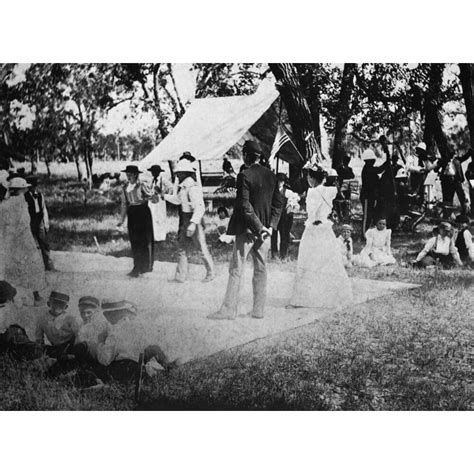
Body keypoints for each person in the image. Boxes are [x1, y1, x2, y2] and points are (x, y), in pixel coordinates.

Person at [207, 140, 283, 320]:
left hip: (247, 231)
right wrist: (270, 227)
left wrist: (258, 227)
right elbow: (278, 204)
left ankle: (228, 310)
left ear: (246, 155)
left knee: (236, 269)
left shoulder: (244, 175)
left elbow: (245, 205)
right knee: (261, 270)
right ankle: (258, 310)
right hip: (265, 233)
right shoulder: (271, 176)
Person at [287, 165, 353, 309]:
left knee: (309, 261)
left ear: (311, 177)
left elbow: (311, 213)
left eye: (308, 177)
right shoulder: (331, 190)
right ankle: (332, 295)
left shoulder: (312, 192)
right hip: (326, 228)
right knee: (327, 261)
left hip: (314, 230)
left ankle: (307, 296)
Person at [96, 300, 177, 382]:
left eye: (109, 315)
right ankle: (168, 367)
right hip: (139, 363)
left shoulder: (114, 332)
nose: (108, 318)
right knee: (154, 349)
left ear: (115, 315)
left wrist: (101, 343)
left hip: (124, 368)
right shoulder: (138, 327)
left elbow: (105, 360)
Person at [164, 159, 215, 283]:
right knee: (181, 247)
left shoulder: (193, 188)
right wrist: (163, 196)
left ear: (185, 173)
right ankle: (180, 276)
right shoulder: (184, 187)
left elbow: (200, 207)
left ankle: (211, 272)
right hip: (185, 218)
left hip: (194, 220)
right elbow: (178, 200)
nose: (177, 175)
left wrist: (193, 223)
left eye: (179, 173)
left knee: (201, 248)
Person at [0, 177, 47, 305]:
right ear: (20, 189)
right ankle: (33, 296)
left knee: (14, 268)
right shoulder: (18, 203)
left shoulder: (7, 204)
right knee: (31, 267)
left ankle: (14, 296)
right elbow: (22, 223)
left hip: (13, 240)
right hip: (22, 240)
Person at [118, 165, 154, 278]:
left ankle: (145, 266)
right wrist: (121, 220)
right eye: (127, 174)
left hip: (143, 212)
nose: (128, 176)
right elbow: (124, 204)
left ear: (135, 174)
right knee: (134, 240)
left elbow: (152, 197)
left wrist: (154, 196)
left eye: (130, 174)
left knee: (144, 239)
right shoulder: (125, 187)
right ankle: (136, 266)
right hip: (132, 213)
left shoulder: (142, 185)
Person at [0, 280, 43, 360]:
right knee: (36, 350)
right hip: (8, 337)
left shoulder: (7, 305)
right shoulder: (6, 309)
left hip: (8, 339)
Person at [34, 291, 80, 358]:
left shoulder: (70, 318)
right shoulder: (42, 319)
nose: (58, 306)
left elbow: (77, 334)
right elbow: (39, 338)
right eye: (55, 303)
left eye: (62, 304)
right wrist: (39, 351)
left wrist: (75, 349)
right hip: (56, 347)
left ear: (66, 307)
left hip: (70, 344)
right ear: (49, 303)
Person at [24, 176, 55, 271]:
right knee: (30, 244)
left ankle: (49, 266)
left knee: (44, 243)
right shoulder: (25, 197)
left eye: (35, 186)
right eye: (32, 186)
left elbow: (43, 209)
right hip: (30, 221)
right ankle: (32, 267)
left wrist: (46, 223)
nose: (34, 188)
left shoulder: (40, 195)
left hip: (39, 220)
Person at [271, 173, 300, 262]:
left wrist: (291, 204)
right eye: (277, 181)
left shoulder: (287, 192)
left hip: (284, 217)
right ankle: (274, 253)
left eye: (281, 181)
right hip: (275, 217)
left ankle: (283, 255)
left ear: (283, 182)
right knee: (273, 236)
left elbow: (296, 198)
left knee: (284, 236)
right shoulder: (272, 191)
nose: (279, 183)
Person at [74, 296, 110, 361]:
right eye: (82, 312)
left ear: (97, 311)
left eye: (89, 312)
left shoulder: (102, 325)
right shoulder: (81, 325)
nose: (85, 315)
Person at [437, 149, 472, 215]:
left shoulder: (457, 160)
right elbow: (437, 167)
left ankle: (465, 212)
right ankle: (447, 213)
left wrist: (470, 151)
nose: (452, 156)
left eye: (453, 154)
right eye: (450, 154)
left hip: (456, 180)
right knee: (448, 198)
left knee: (462, 196)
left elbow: (465, 157)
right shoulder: (445, 161)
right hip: (447, 180)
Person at [148, 165, 172, 243]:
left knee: (161, 218)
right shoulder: (151, 180)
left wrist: (164, 194)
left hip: (160, 201)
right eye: (152, 171)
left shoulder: (163, 180)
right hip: (152, 201)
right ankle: (154, 236)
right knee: (152, 217)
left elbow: (171, 187)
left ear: (158, 172)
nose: (152, 173)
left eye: (154, 171)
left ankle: (161, 237)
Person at [360, 149, 380, 234]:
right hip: (366, 196)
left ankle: (367, 232)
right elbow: (378, 170)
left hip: (371, 195)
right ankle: (363, 233)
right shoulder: (367, 169)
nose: (374, 161)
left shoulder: (370, 168)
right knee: (367, 216)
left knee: (370, 214)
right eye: (372, 160)